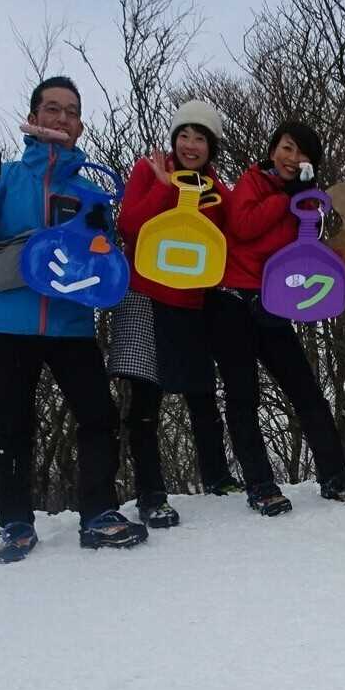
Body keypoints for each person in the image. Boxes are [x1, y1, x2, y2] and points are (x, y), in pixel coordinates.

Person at [0, 75, 147, 562]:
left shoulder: (90, 190)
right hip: (8, 321)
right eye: (52, 108)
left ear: (80, 126)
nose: (61, 118)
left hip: (71, 324)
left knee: (98, 415)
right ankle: (16, 523)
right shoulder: (5, 177)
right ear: (34, 116)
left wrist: (101, 238)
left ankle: (99, 513)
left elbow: (102, 262)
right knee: (12, 424)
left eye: (71, 111)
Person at [210, 121, 345, 515]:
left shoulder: (305, 195)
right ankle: (261, 485)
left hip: (273, 301)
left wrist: (306, 201)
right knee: (243, 396)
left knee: (305, 390)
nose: (292, 158)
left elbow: (308, 244)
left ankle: (335, 475)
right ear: (273, 149)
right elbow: (243, 226)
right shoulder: (252, 181)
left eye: (302, 153)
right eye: (287, 147)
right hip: (232, 299)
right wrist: (285, 197)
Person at [109, 100, 242, 529]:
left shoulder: (216, 188)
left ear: (211, 147)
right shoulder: (149, 170)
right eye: (184, 135)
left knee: (202, 395)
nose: (190, 145)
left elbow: (233, 234)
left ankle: (218, 478)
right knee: (145, 401)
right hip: (145, 295)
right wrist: (166, 187)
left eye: (200, 138)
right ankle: (151, 494)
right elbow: (129, 226)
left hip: (192, 302)